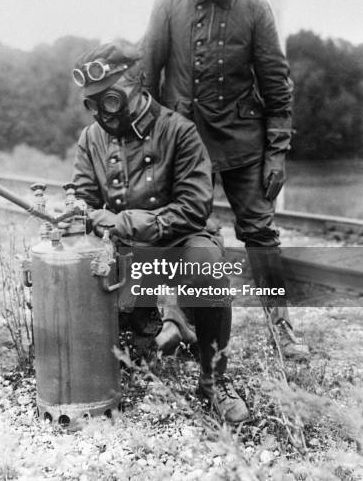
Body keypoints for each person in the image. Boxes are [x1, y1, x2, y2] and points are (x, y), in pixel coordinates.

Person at [141, 0, 309, 359]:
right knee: (183, 230)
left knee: (260, 232)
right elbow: (146, 75)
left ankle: (281, 325)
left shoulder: (255, 9)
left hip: (243, 143)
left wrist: (276, 152)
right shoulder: (167, 3)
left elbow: (277, 85)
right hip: (183, 142)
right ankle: (177, 322)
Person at [70, 42, 249, 423]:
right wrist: (78, 213)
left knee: (207, 265)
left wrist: (123, 222)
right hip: (126, 253)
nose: (103, 114)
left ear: (138, 86)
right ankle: (160, 329)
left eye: (111, 101)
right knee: (136, 353)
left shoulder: (179, 131)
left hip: (179, 243)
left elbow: (193, 208)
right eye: (93, 104)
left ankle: (213, 380)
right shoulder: (91, 139)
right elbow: (83, 198)